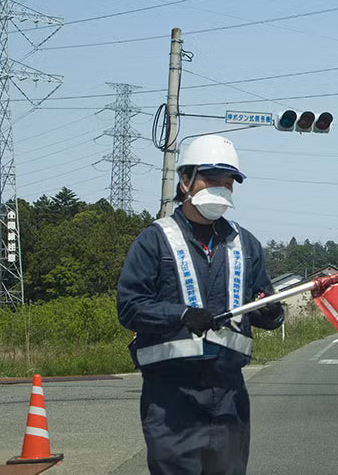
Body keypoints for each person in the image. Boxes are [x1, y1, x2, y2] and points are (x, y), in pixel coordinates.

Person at [117, 134, 284, 475]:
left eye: (229, 183)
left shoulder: (246, 243)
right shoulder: (155, 240)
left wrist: (272, 312)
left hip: (229, 393)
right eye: (212, 179)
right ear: (185, 180)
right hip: (170, 394)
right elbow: (130, 307)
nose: (221, 189)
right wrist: (180, 314)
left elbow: (269, 306)